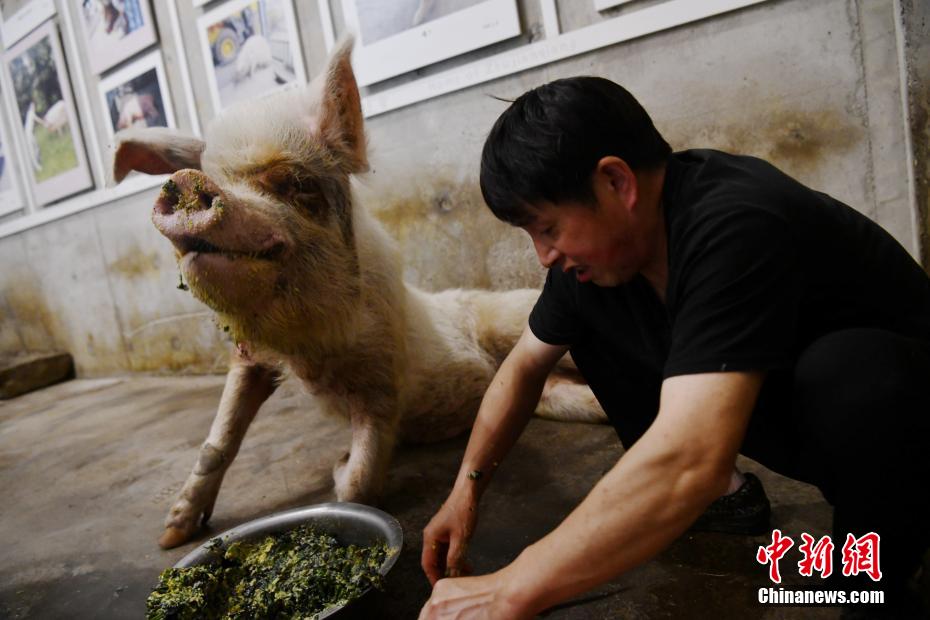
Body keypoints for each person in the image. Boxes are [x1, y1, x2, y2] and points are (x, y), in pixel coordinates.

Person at [418, 76, 930, 619]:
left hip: (903, 427)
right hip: (795, 408)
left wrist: (511, 589)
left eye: (547, 229)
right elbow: (524, 367)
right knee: (589, 317)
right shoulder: (605, 256)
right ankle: (717, 499)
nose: (544, 255)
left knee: (853, 372)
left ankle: (875, 586)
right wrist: (466, 490)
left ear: (616, 182)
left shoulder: (735, 221)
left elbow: (692, 458)